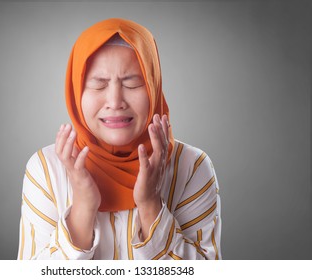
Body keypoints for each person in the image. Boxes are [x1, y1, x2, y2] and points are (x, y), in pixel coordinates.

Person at [17, 18, 221, 260]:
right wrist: (82, 207)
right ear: (76, 92)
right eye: (98, 84)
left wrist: (150, 205)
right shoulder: (46, 169)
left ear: (154, 87)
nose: (115, 102)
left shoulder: (191, 167)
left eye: (132, 84)